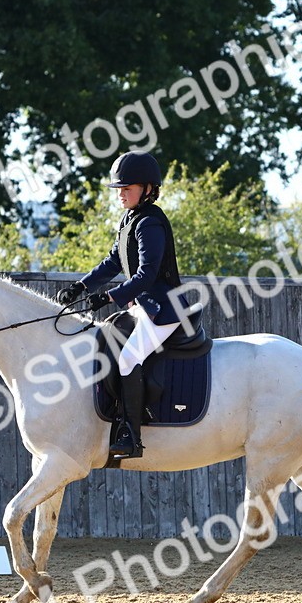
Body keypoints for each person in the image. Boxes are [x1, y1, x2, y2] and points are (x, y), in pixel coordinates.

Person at [54, 150, 189, 460]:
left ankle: (131, 434)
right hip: (144, 306)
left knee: (128, 359)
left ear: (148, 189)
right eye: (119, 190)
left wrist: (108, 296)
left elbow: (145, 275)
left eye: (127, 189)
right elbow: (113, 261)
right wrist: (82, 286)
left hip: (164, 309)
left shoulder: (151, 223)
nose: (121, 195)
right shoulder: (130, 219)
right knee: (105, 341)